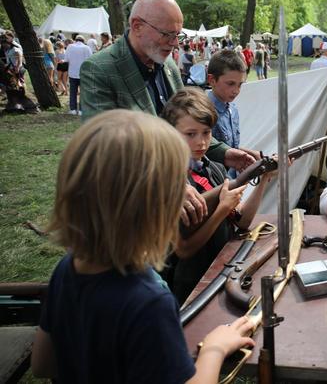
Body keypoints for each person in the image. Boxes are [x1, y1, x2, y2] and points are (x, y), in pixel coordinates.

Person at [31, 109, 255, 383]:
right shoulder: (149, 301)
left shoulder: (66, 269)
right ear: (154, 208)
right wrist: (214, 349)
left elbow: (42, 364)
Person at [79, 0, 255, 226]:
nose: (174, 43)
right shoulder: (100, 69)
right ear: (137, 26)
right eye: (167, 34)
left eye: (178, 35)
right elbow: (105, 148)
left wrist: (224, 153)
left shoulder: (167, 64)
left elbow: (186, 124)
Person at [161, 89, 273, 303]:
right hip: (189, 285)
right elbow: (184, 249)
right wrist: (222, 209)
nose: (201, 142)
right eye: (190, 134)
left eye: (206, 132)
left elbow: (242, 221)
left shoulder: (212, 169)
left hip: (220, 271)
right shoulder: (171, 183)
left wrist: (264, 178)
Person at [206, 50, 260, 167]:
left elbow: (230, 146)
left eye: (240, 84)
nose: (236, 90)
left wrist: (250, 154)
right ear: (212, 80)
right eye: (230, 84)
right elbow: (206, 149)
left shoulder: (232, 108)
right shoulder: (203, 111)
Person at [65, 34, 92, 115]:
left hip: (72, 73)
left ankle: (73, 109)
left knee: (73, 92)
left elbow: (66, 59)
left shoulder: (70, 47)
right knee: (83, 92)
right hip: (84, 73)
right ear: (83, 41)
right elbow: (90, 60)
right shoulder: (87, 48)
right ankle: (81, 110)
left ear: (75, 40)